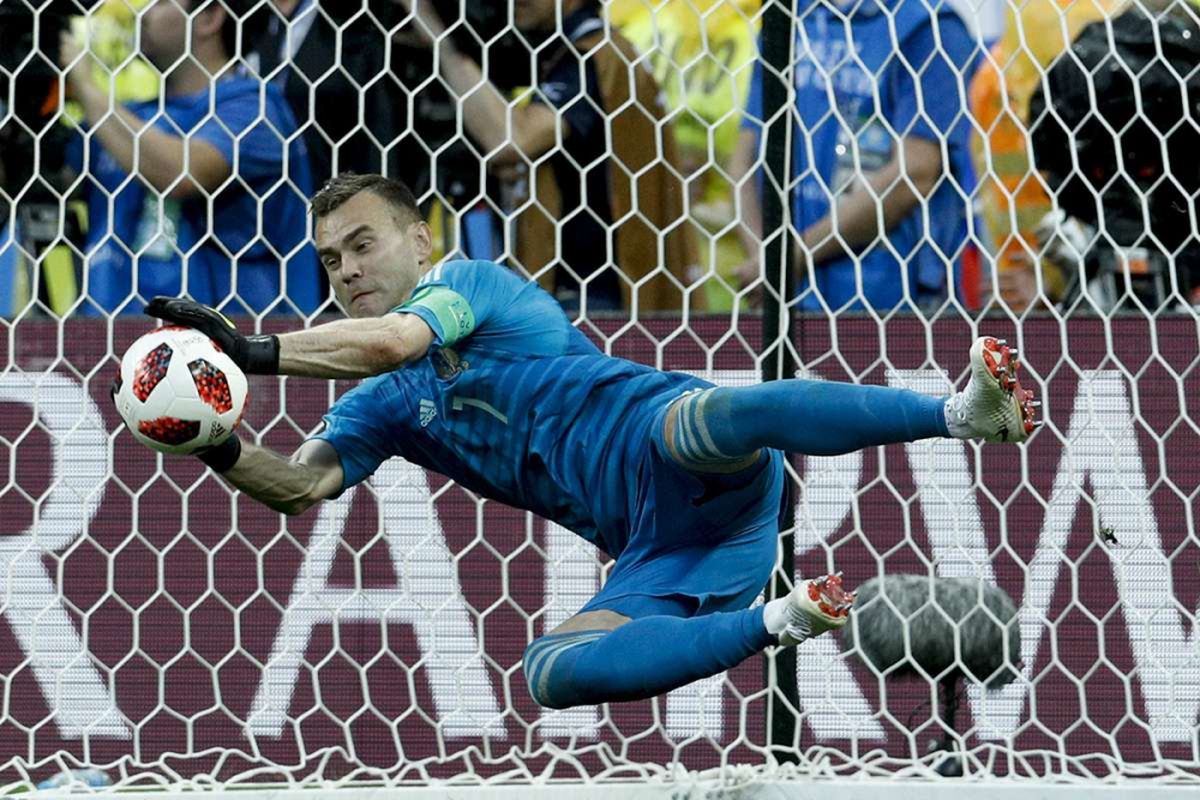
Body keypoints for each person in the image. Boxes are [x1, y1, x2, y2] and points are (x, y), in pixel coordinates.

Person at [138, 173, 1038, 709]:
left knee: (711, 415)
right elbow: (299, 486)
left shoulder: (472, 288)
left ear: (420, 241)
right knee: (549, 673)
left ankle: (959, 414)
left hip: (677, 451)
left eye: (363, 244)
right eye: (330, 260)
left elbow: (394, 340)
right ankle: (777, 621)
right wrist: (211, 441)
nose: (348, 269)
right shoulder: (378, 407)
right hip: (659, 551)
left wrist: (247, 350)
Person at [394, 0, 698, 313]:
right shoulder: (588, 52)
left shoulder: (593, 54)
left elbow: (511, 140)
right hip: (591, 284)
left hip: (594, 294)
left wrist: (443, 42)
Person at [61, 0, 321, 316]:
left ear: (209, 17)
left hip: (227, 347)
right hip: (107, 342)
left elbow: (182, 173)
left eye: (158, 2)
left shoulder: (256, 110)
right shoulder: (125, 120)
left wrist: (86, 85)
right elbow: (45, 184)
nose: (140, 14)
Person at [733, 0, 980, 312]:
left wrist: (788, 258)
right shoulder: (791, 19)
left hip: (891, 307)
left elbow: (915, 173)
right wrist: (765, 261)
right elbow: (744, 158)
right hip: (788, 303)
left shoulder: (929, 26)